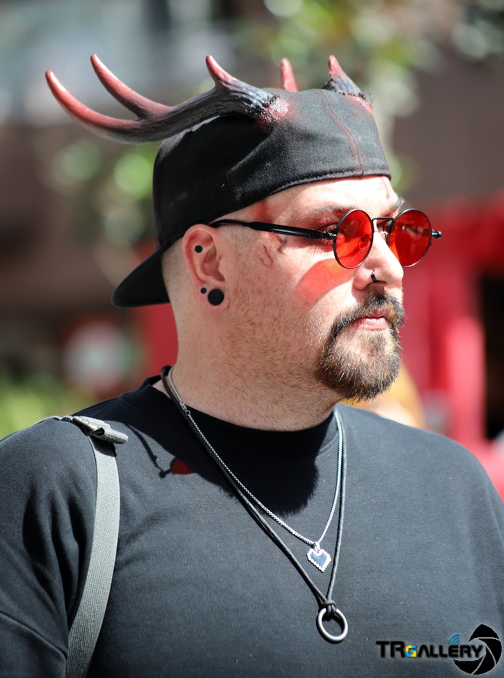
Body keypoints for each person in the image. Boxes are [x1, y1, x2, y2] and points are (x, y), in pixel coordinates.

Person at [0, 54, 503, 678]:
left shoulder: (452, 488)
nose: (389, 268)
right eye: (339, 232)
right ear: (209, 261)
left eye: (396, 231)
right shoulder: (57, 489)